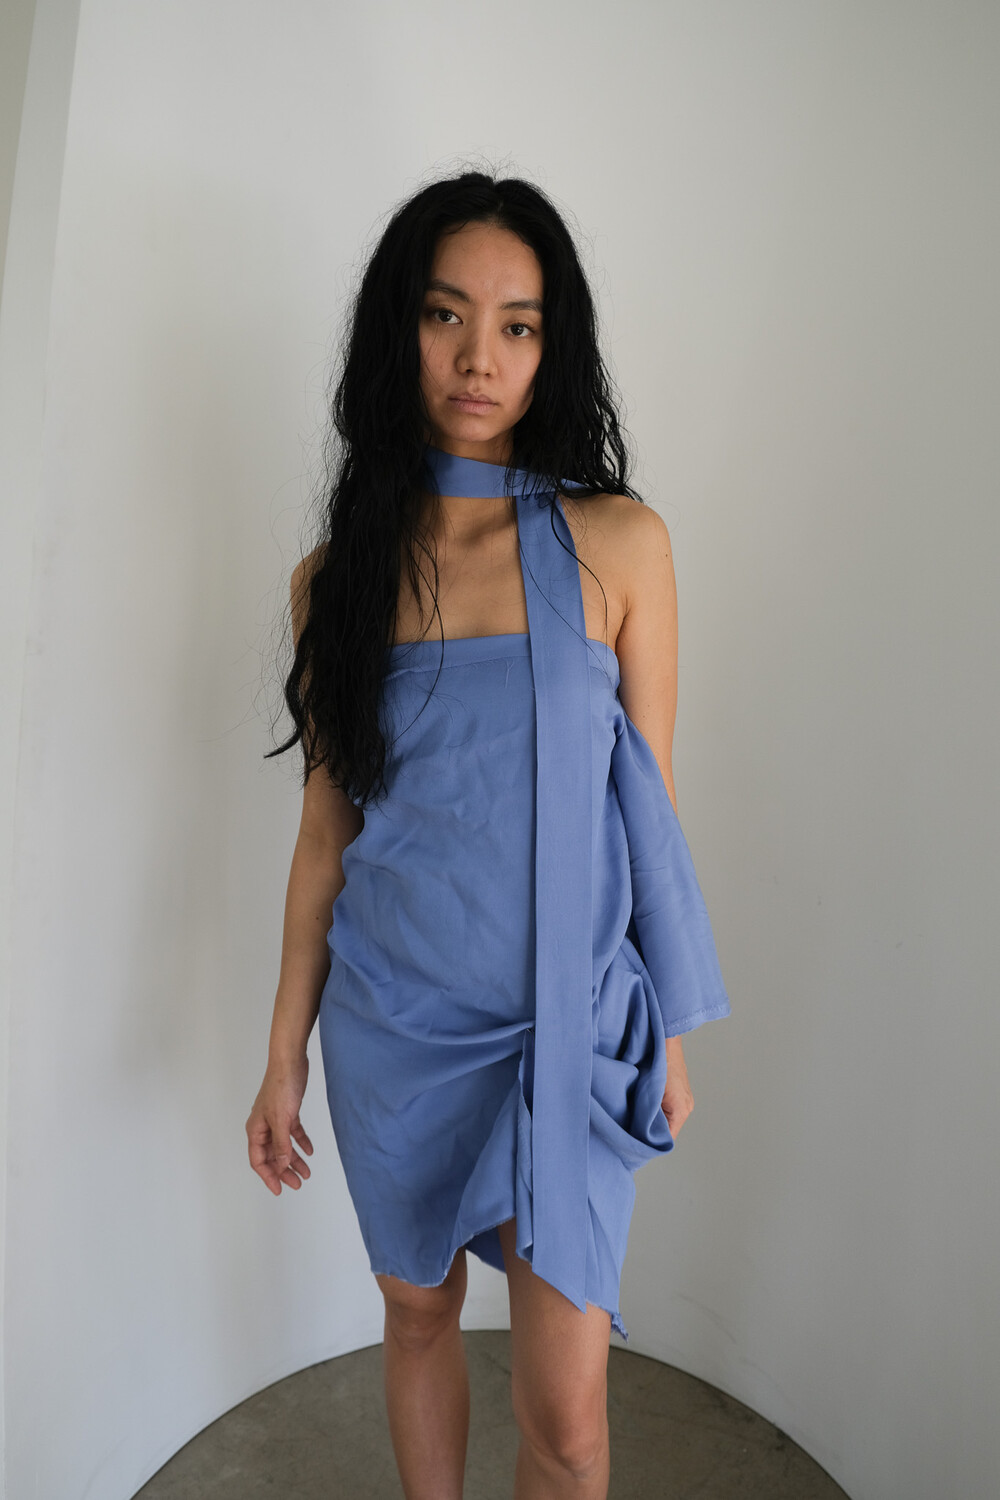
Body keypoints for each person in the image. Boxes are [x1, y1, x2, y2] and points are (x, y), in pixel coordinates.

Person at [246, 169, 730, 1500]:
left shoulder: (619, 543)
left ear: (551, 347)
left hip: (566, 1026)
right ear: (398, 331)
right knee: (417, 1317)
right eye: (446, 314)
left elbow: (650, 801)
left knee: (568, 1424)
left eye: (518, 325)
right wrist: (282, 1057)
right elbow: (326, 837)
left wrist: (669, 1030)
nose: (479, 357)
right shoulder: (336, 581)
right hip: (393, 1021)